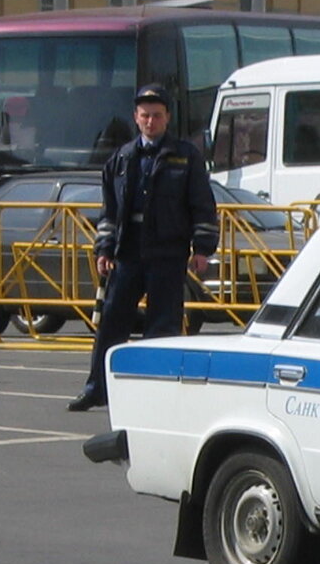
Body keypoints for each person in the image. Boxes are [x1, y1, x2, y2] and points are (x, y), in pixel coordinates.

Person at [67, 84, 218, 411]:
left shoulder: (186, 157)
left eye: (157, 116)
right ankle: (97, 389)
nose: (151, 121)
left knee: (162, 327)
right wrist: (103, 250)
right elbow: (108, 212)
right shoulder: (121, 158)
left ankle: (155, 395)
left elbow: (202, 206)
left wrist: (203, 248)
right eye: (145, 116)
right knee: (112, 323)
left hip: (167, 253)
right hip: (128, 253)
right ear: (136, 118)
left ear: (167, 118)